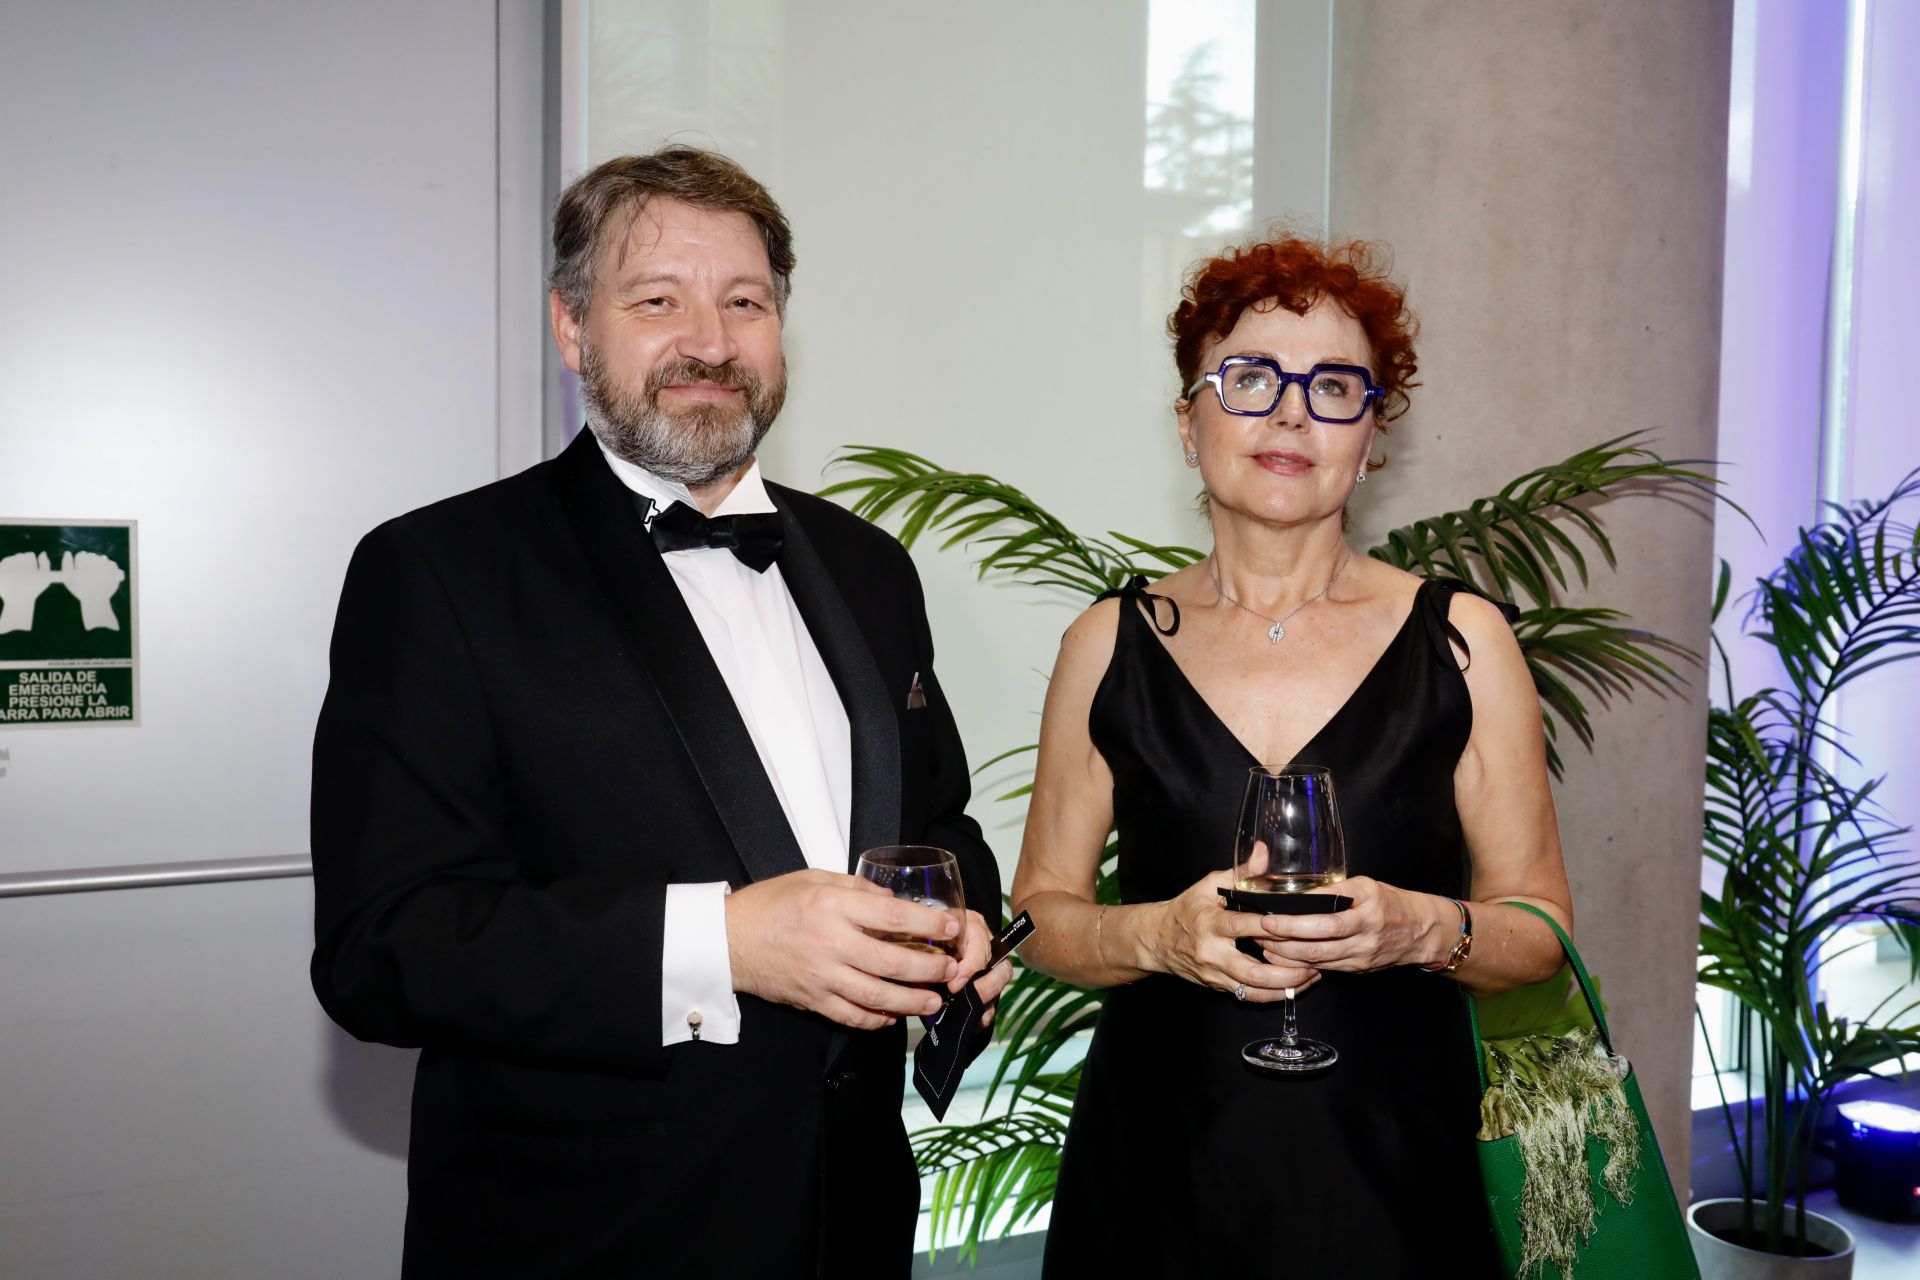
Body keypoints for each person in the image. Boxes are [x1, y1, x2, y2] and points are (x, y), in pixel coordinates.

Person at [309, 145, 1008, 1279]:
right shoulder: (436, 571)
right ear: (573, 327)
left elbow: (943, 822)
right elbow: (383, 948)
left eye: (746, 301)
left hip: (854, 1225)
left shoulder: (871, 567)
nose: (713, 341)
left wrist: (964, 923)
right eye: (658, 300)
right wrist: (719, 944)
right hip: (585, 1237)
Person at [1011, 234, 1575, 1275]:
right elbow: (1040, 914)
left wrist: (1418, 926)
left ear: (1371, 441)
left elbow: (1539, 931)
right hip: (1156, 1175)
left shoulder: (1462, 643)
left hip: (1398, 1179)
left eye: (1333, 387)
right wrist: (1159, 936)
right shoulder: (1108, 642)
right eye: (1251, 377)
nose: (1290, 414)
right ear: (1189, 423)